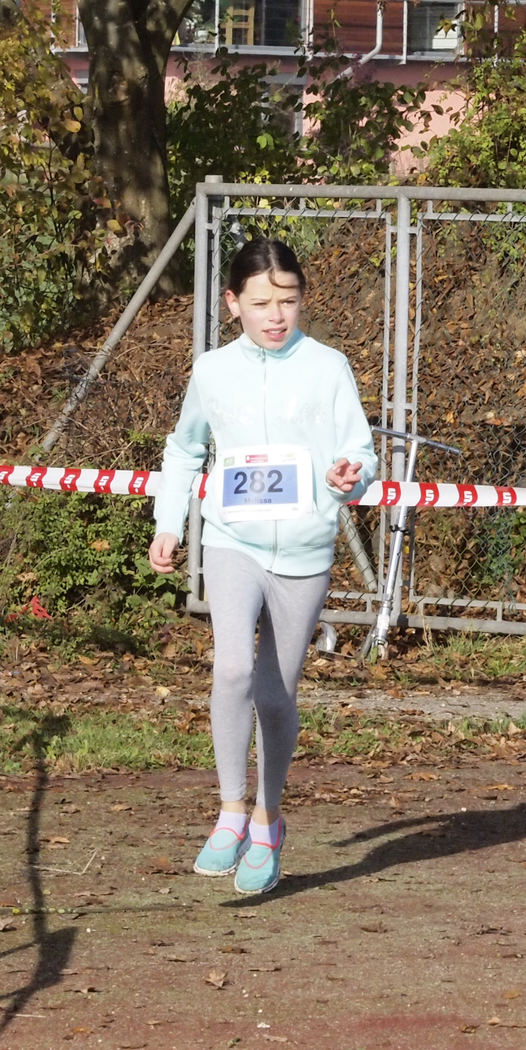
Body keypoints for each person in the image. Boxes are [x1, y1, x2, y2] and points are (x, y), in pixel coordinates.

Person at [148, 238, 376, 895]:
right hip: (232, 542)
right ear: (232, 303)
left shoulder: (329, 367)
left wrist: (351, 474)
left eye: (288, 301)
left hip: (304, 550)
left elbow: (360, 452)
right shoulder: (212, 371)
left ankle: (268, 820)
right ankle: (229, 810)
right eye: (260, 303)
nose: (276, 315)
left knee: (274, 693)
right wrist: (169, 523)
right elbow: (184, 450)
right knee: (231, 668)